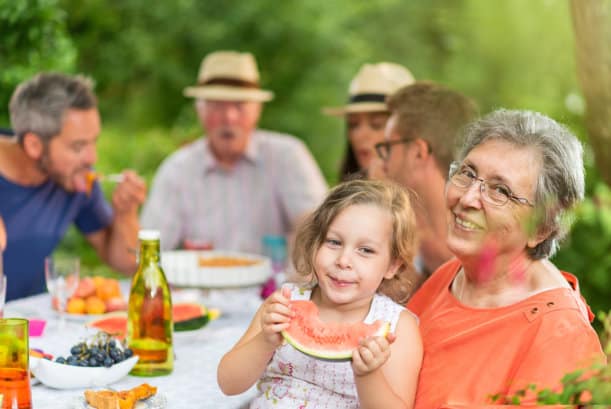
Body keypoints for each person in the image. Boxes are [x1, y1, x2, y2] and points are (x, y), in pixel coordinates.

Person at [407, 109, 606, 408]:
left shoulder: (559, 336)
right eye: (468, 173)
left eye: (501, 191)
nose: (468, 198)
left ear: (543, 227)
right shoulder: (453, 274)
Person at [218, 179, 423, 408]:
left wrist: (368, 375)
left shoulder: (397, 327)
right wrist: (264, 342)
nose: (343, 261)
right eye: (334, 242)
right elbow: (228, 384)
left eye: (365, 250)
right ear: (315, 243)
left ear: (392, 266)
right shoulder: (285, 304)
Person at [141, 50, 327, 253]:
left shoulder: (288, 155)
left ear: (257, 110)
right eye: (217, 106)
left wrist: (306, 236)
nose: (229, 117)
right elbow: (150, 248)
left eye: (240, 106)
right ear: (200, 111)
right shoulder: (178, 169)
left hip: (274, 284)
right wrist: (126, 215)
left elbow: (318, 225)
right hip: (201, 283)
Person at [0, 73, 146, 301]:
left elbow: (127, 264)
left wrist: (126, 214)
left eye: (93, 141)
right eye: (78, 147)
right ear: (34, 145)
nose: (91, 157)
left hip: (33, 326)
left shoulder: (75, 179)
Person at [377, 81, 479, 276]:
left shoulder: (485, 248)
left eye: (388, 147)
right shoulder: (402, 236)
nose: (382, 163)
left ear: (418, 152)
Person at [323, 62, 414, 181]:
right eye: (353, 125)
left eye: (376, 125)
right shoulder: (344, 195)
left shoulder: (438, 192)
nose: (360, 135)